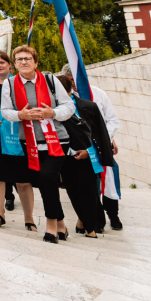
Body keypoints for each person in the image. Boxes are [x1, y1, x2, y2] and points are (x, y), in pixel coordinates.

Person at [0, 45, 76, 244]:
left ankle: (51, 225)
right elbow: (5, 111)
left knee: (47, 178)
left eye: (27, 58)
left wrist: (52, 113)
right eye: (19, 59)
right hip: (30, 142)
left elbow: (69, 106)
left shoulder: (50, 80)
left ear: (35, 62)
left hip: (58, 140)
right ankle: (61, 224)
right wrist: (20, 115)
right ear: (14, 64)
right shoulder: (9, 84)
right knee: (45, 182)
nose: (23, 62)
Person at [0, 50, 37, 232]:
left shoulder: (18, 83)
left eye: (2, 62)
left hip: (17, 137)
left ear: (10, 65)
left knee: (23, 180)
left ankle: (29, 219)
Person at [62, 62, 124, 230]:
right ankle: (95, 219)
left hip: (101, 146)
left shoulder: (98, 94)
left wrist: (106, 139)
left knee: (109, 180)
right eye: (69, 80)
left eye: (75, 78)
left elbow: (111, 120)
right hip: (81, 149)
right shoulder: (66, 100)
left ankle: (113, 215)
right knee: (90, 186)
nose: (73, 83)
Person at [56, 71, 111, 238]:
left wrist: (89, 152)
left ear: (68, 90)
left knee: (88, 192)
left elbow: (101, 134)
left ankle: (90, 227)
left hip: (87, 157)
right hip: (65, 157)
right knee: (72, 191)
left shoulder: (88, 106)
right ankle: (85, 221)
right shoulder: (52, 111)